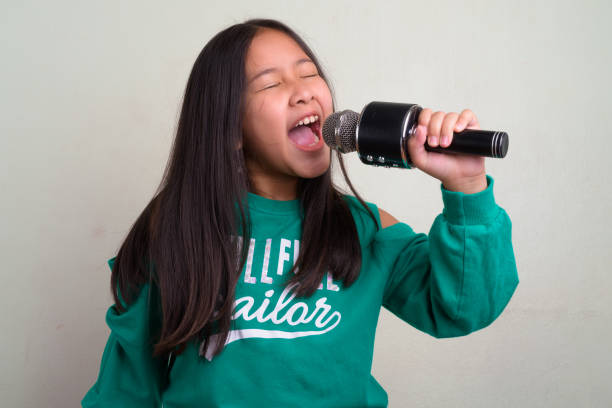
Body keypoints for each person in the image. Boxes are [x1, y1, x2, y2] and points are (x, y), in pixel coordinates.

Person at [82, 18, 519, 408]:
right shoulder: (176, 228)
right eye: (272, 84)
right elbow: (126, 389)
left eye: (310, 74)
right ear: (228, 129)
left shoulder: (364, 228)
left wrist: (465, 186)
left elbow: (463, 308)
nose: (304, 90)